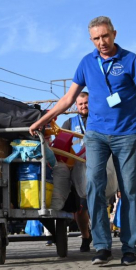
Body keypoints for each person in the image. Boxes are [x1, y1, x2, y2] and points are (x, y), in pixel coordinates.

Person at [30, 16, 136, 267]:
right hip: (96, 135)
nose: (102, 42)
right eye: (96, 38)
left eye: (105, 36)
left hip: (127, 133)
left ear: (114, 34)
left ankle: (131, 247)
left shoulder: (131, 60)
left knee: (130, 189)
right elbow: (68, 99)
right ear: (91, 39)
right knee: (93, 188)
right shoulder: (87, 63)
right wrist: (42, 120)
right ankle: (102, 246)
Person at [58, 92, 93, 252]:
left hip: (97, 167)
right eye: (80, 104)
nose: (84, 106)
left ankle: (101, 237)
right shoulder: (69, 123)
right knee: (80, 210)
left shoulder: (98, 119)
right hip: (76, 171)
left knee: (97, 205)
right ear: (76, 106)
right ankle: (86, 236)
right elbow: (60, 145)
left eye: (86, 103)